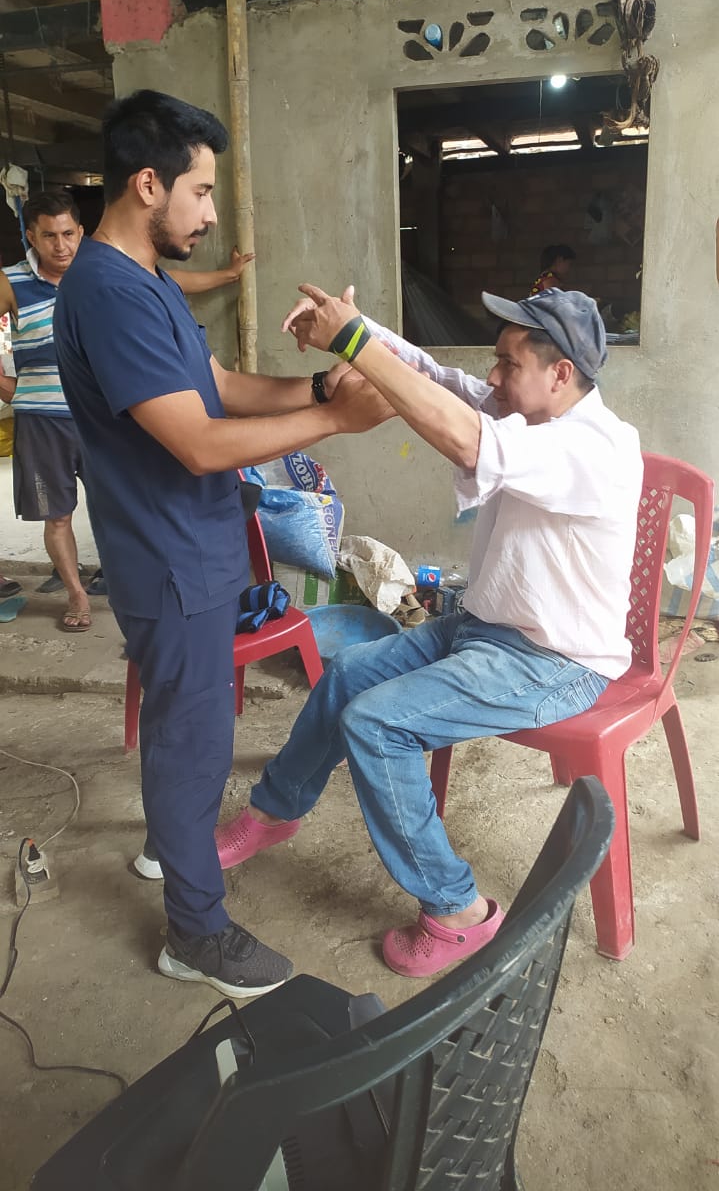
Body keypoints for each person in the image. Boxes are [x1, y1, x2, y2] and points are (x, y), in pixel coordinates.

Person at [53, 89, 394, 999]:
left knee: (191, 729)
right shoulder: (108, 292)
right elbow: (199, 443)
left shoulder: (149, 282)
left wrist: (318, 387)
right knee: (191, 741)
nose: (209, 215)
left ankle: (173, 852)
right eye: (200, 192)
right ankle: (195, 934)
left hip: (194, 543)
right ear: (147, 183)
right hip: (168, 558)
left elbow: (216, 388)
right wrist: (335, 423)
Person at [213, 284, 643, 980]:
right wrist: (359, 328)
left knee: (376, 724)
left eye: (508, 364)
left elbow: (467, 437)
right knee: (346, 675)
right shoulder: (526, 414)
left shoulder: (591, 449)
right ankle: (274, 812)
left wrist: (355, 342)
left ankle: (458, 910)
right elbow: (438, 381)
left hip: (553, 662)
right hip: (486, 628)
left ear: (560, 374)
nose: (492, 377)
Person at [0, 196, 253, 631]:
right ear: (31, 237)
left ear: (81, 232)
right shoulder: (11, 282)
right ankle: (77, 594)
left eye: (68, 234)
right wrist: (11, 390)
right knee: (58, 514)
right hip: (43, 423)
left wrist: (227, 276)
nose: (60, 245)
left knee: (123, 506)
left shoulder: (103, 274)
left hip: (101, 418)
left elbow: (173, 282)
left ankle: (128, 588)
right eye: (49, 236)